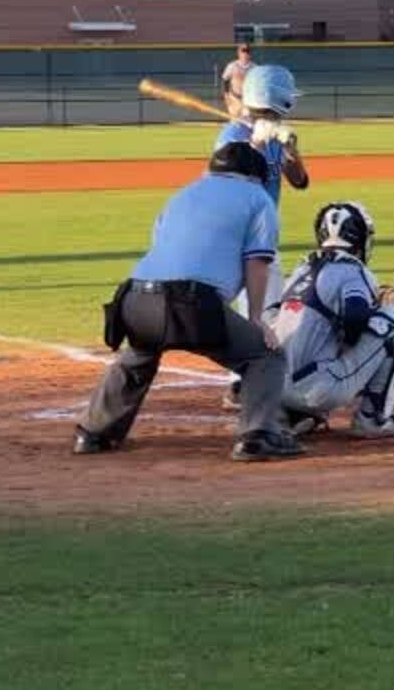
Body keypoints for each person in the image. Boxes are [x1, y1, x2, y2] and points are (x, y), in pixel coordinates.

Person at [72, 142, 306, 462]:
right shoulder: (258, 198)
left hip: (133, 299)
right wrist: (255, 318)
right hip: (190, 305)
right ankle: (259, 435)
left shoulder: (182, 194)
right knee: (265, 356)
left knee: (140, 354)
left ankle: (93, 433)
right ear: (255, 176)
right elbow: (257, 263)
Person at [272, 201, 394, 439]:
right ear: (360, 239)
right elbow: (356, 315)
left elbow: (271, 318)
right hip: (317, 390)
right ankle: (374, 419)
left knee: (313, 338)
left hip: (274, 387)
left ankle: (293, 415)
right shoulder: (351, 269)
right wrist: (351, 341)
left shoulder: (301, 270)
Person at [213, 64, 311, 315]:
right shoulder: (232, 135)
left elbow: (300, 182)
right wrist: (255, 144)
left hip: (265, 236)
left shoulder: (276, 134)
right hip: (240, 238)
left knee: (267, 313)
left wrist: (291, 151)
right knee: (261, 317)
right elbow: (228, 187)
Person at [220, 43, 255, 118]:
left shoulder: (254, 67)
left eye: (247, 51)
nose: (245, 53)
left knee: (247, 121)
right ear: (238, 53)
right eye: (243, 51)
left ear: (250, 54)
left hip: (248, 100)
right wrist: (226, 95)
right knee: (234, 122)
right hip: (234, 98)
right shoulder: (232, 66)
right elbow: (225, 80)